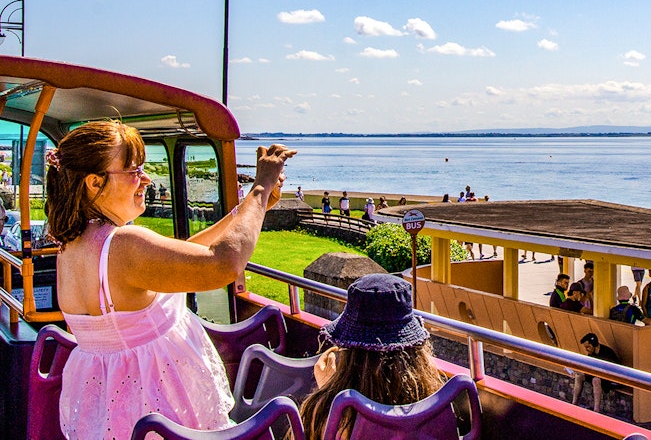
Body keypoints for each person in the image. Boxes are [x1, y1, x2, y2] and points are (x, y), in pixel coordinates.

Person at [46, 120, 294, 439]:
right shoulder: (122, 244)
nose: (146, 179)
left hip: (116, 413)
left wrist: (243, 210)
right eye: (133, 170)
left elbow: (178, 258)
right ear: (94, 182)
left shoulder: (71, 247)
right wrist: (261, 186)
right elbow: (225, 264)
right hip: (159, 413)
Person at [299, 273, 444, 440]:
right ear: (416, 351)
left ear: (349, 351)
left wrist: (327, 394)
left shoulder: (332, 415)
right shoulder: (438, 404)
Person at [571, 333, 621, 414]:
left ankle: (596, 410)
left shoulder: (607, 353)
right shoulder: (592, 354)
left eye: (588, 347)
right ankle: (574, 403)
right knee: (579, 376)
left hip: (610, 379)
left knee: (596, 380)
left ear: (594, 345)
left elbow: (609, 372)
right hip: (597, 374)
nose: (586, 349)